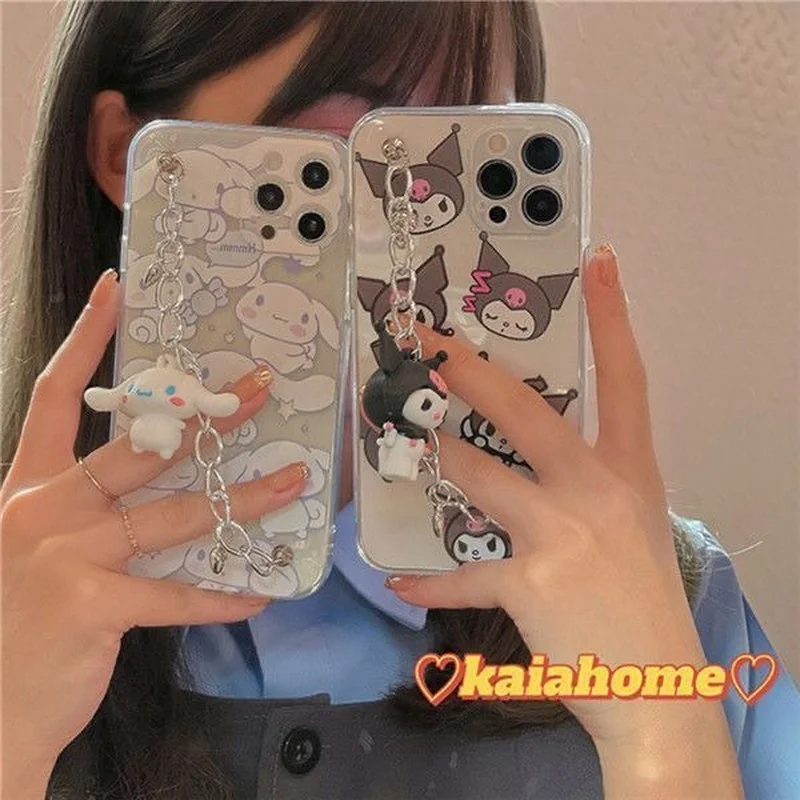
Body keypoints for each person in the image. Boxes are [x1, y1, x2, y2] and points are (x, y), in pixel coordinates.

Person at [1, 3, 797, 799]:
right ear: (127, 153)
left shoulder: (674, 601)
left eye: (462, 132)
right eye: (354, 137)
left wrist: (664, 734)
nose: (410, 201)